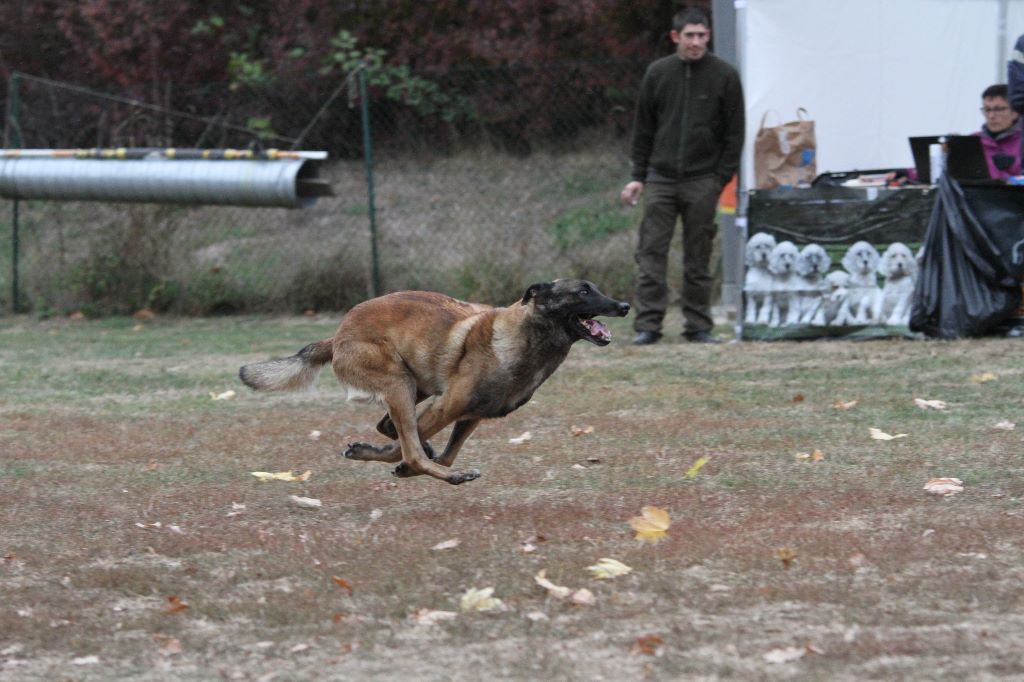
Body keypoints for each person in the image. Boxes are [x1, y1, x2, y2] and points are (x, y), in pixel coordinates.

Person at [621, 7, 745, 345]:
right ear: (676, 37)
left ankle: (698, 326)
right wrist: (638, 176)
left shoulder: (724, 75)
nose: (696, 42)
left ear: (708, 36)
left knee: (699, 257)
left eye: (702, 35)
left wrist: (720, 178)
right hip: (660, 179)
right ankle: (648, 326)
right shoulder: (658, 73)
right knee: (651, 254)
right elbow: (643, 129)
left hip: (703, 180)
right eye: (689, 35)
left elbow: (735, 133)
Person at [973, 84, 1022, 181]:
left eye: (999, 109)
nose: (991, 116)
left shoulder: (1021, 141)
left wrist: (1014, 165)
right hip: (979, 195)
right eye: (987, 110)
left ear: (1015, 112)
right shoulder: (973, 142)